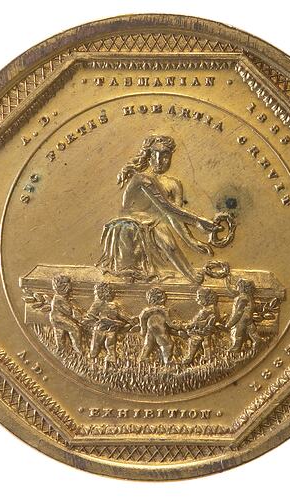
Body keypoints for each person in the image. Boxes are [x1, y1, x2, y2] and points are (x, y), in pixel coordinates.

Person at [97, 135, 220, 283]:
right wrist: (197, 221)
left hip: (152, 223)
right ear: (148, 157)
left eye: (165, 155)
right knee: (159, 237)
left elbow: (175, 217)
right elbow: (166, 207)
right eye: (155, 155)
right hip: (130, 224)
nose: (159, 160)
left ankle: (189, 275)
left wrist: (191, 241)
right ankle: (187, 274)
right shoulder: (141, 178)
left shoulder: (174, 184)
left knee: (169, 244)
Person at [85, 282, 134, 364]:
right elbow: (90, 316)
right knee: (100, 345)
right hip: (102, 327)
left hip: (109, 328)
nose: (95, 295)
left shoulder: (112, 305)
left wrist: (131, 321)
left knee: (108, 343)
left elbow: (123, 315)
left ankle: (108, 358)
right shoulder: (99, 304)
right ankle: (96, 358)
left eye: (96, 293)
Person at [138, 287, 174, 365]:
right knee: (167, 344)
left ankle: (143, 358)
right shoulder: (163, 309)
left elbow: (142, 317)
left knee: (148, 344)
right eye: (163, 298)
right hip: (159, 327)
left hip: (150, 326)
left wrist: (143, 329)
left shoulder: (147, 310)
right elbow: (169, 322)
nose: (165, 300)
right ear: (160, 299)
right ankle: (167, 361)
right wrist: (175, 326)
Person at [182, 288, 219, 364]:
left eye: (199, 297)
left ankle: (190, 357)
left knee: (194, 339)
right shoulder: (212, 308)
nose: (197, 299)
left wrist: (190, 325)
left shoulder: (207, 310)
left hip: (203, 331)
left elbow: (201, 322)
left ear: (207, 298)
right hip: (202, 329)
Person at [48, 275, 83, 354]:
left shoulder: (60, 298)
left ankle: (61, 350)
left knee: (59, 334)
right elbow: (69, 312)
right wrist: (77, 313)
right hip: (58, 319)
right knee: (75, 329)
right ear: (63, 288)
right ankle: (78, 350)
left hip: (56, 318)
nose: (70, 289)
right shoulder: (59, 299)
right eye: (68, 287)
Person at [226, 278, 259, 353]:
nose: (236, 287)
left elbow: (238, 313)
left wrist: (230, 324)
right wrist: (227, 281)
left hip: (241, 320)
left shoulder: (241, 298)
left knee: (237, 334)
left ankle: (235, 349)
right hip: (248, 319)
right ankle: (258, 342)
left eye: (238, 285)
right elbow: (232, 291)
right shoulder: (249, 297)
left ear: (242, 287)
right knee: (252, 332)